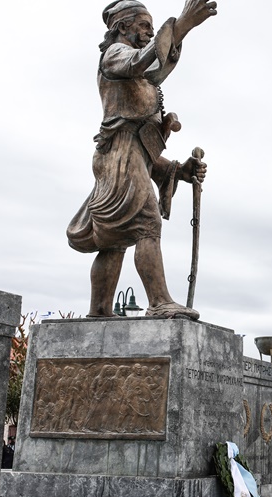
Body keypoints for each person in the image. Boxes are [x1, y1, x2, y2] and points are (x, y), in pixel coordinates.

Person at [67, 0, 217, 319]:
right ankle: (160, 301)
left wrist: (178, 170)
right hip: (117, 156)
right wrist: (178, 26)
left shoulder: (141, 77)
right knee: (146, 223)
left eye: (151, 27)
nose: (150, 32)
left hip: (125, 155)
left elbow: (154, 71)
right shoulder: (114, 55)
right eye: (145, 26)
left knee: (114, 238)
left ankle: (99, 311)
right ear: (123, 27)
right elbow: (140, 62)